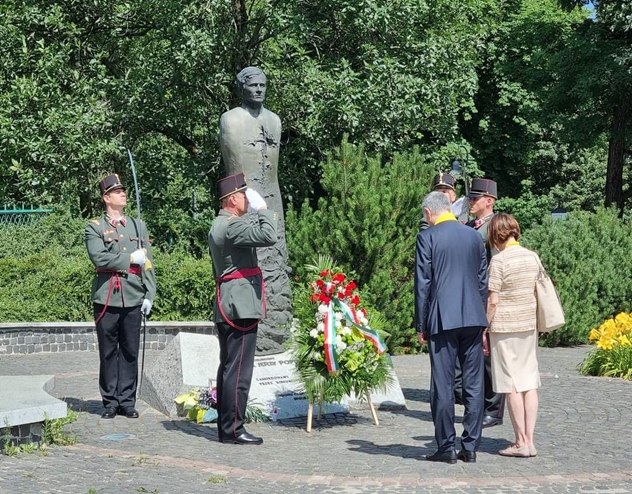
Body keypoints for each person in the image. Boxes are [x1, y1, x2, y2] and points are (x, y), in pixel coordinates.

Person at [219, 66, 292, 353]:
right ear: (241, 88)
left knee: (277, 264)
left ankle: (277, 326)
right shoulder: (230, 119)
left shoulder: (274, 120)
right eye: (253, 86)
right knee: (253, 261)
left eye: (263, 85)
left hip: (272, 201)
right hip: (244, 203)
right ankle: (253, 329)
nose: (259, 90)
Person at [415, 191, 489, 464]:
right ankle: (470, 446)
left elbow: (423, 283)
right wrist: (481, 317)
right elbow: (483, 280)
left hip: (442, 319)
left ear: (428, 213)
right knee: (474, 383)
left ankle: (446, 446)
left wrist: (421, 323)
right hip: (473, 317)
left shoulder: (427, 237)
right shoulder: (473, 236)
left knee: (443, 384)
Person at [208, 172, 278, 445]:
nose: (248, 201)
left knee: (228, 366)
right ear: (233, 198)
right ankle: (234, 429)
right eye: (245, 195)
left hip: (231, 301)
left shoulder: (221, 223)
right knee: (239, 370)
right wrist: (263, 209)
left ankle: (227, 427)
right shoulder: (231, 226)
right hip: (240, 305)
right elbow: (268, 235)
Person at [85, 173, 156, 419]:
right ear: (106, 198)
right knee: (108, 351)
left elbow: (148, 263)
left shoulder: (138, 226)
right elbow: (99, 258)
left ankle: (127, 401)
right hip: (107, 296)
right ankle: (110, 402)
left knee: (130, 350)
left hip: (134, 294)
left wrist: (150, 293)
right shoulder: (95, 227)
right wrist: (128, 259)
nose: (123, 194)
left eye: (124, 190)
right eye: (117, 192)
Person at [486, 213, 541, 458]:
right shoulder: (532, 257)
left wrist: (484, 327)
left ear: (495, 235)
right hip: (528, 325)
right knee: (529, 382)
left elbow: (493, 301)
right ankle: (530, 439)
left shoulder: (499, 261)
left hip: (505, 327)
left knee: (511, 385)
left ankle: (520, 442)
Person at [462, 177, 506, 428]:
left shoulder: (494, 228)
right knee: (476, 356)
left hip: (487, 295)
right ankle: (478, 404)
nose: (470, 202)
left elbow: (496, 266)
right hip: (471, 295)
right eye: (470, 198)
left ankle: (494, 409)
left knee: (490, 356)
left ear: (488, 201)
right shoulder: (470, 225)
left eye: (475, 198)